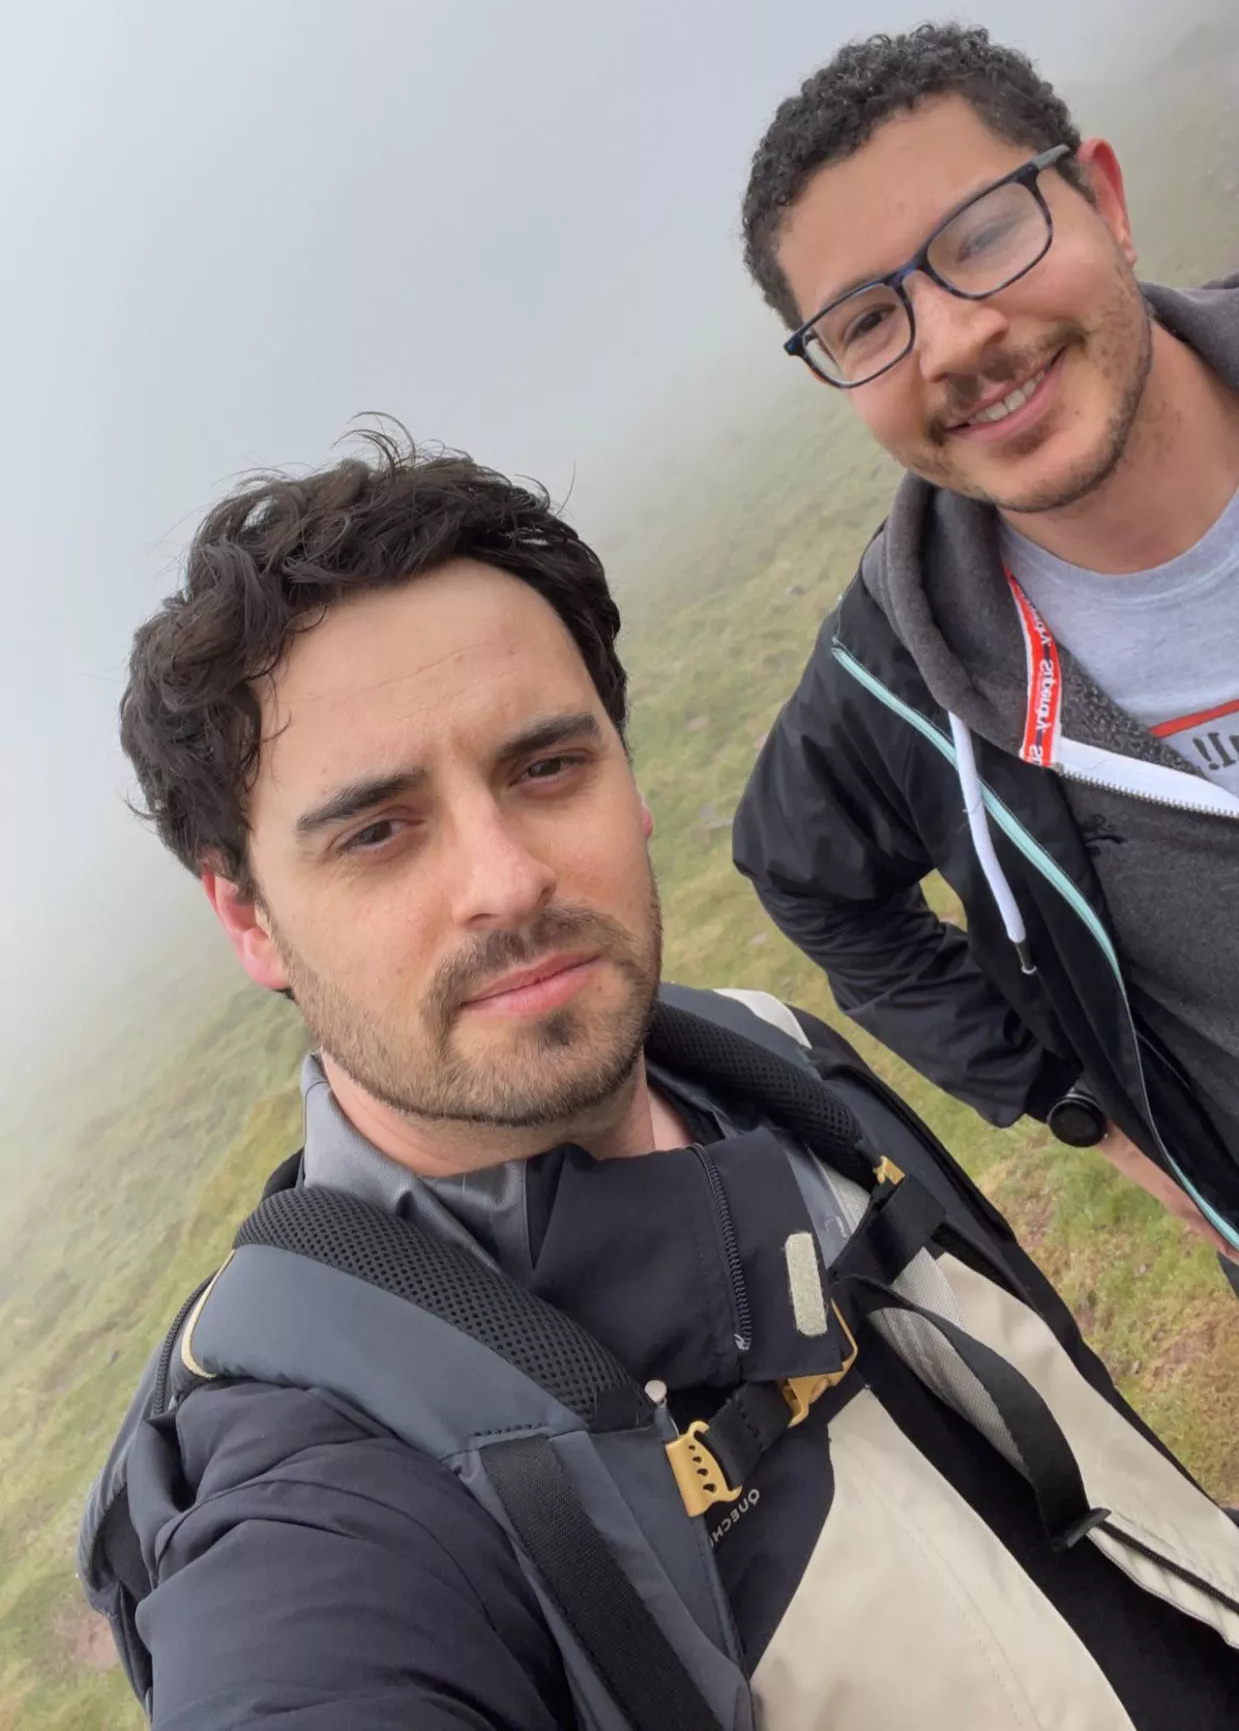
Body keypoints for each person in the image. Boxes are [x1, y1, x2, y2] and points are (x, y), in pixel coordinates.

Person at [81, 433, 1239, 1729]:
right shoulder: (321, 1500)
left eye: (544, 765)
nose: (506, 876)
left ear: (627, 779)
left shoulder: (768, 1052)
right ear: (247, 917)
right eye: (376, 830)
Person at [733, 23, 1239, 1286]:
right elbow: (810, 881)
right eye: (866, 321)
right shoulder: (892, 674)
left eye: (985, 235)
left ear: (1105, 199)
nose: (954, 341)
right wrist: (1089, 1109)